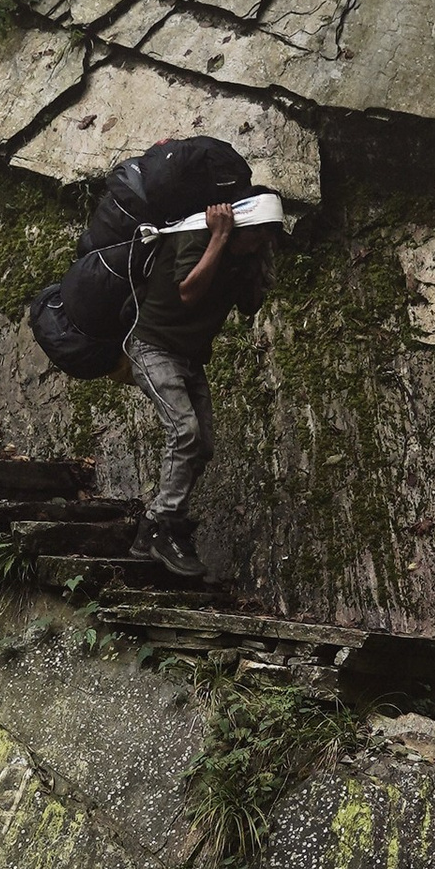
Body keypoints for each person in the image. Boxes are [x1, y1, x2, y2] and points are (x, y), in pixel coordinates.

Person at [126, 190, 276, 578]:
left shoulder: (248, 254)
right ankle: (162, 526)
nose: (260, 241)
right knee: (185, 431)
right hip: (152, 347)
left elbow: (249, 305)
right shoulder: (195, 235)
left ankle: (154, 531)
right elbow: (189, 292)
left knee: (203, 445)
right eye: (257, 233)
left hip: (189, 359)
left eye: (266, 236)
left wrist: (257, 260)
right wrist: (220, 238)